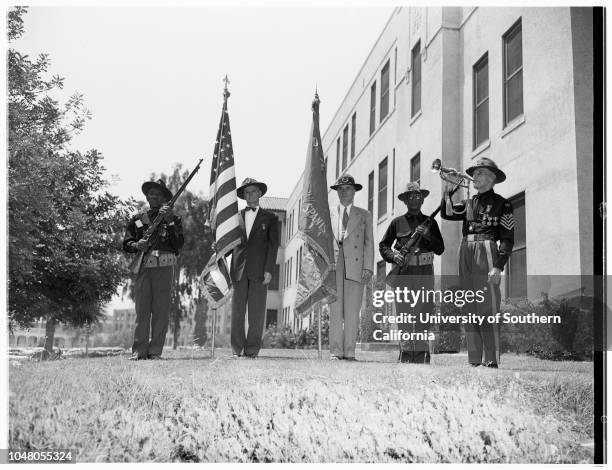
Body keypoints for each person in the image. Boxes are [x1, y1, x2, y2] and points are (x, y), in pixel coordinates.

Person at [440, 157, 514, 368]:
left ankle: (491, 358)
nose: (475, 176)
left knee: (487, 306)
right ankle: (474, 358)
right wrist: (449, 190)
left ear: (491, 178)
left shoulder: (502, 203)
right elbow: (447, 212)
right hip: (465, 251)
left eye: (480, 173)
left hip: (486, 249)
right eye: (475, 173)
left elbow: (508, 239)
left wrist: (498, 265)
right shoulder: (469, 203)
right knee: (469, 306)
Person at [379, 182, 444, 363]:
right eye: (411, 197)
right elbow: (383, 246)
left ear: (422, 199)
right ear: (405, 200)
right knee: (405, 314)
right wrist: (393, 256)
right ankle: (406, 354)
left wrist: (427, 235)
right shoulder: (396, 222)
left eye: (418, 196)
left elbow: (440, 249)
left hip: (424, 271)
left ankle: (422, 354)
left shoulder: (431, 222)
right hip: (404, 272)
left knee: (423, 313)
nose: (415, 199)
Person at [123, 179, 184, 360]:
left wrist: (170, 222)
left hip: (164, 269)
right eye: (150, 193)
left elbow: (178, 244)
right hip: (144, 268)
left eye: (157, 194)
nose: (153, 196)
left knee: (160, 312)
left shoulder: (174, 219)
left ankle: (155, 351)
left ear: (165, 198)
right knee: (142, 311)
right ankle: (138, 351)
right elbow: (126, 243)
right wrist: (137, 244)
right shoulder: (138, 219)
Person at [230, 178, 279, 358]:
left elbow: (273, 246)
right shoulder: (234, 218)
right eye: (247, 192)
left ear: (260, 193)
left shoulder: (271, 218)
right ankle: (237, 349)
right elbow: (229, 244)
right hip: (239, 270)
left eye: (253, 191)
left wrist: (269, 270)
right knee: (237, 312)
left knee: (256, 313)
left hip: (259, 271)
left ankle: (251, 350)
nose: (250, 194)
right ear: (243, 196)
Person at [329, 175, 374, 361]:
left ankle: (349, 351)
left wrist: (368, 267)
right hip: (334, 264)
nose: (343, 191)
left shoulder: (364, 214)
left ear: (354, 191)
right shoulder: (328, 212)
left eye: (347, 188)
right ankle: (335, 351)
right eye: (340, 188)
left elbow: (368, 243)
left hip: (355, 264)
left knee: (352, 311)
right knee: (335, 310)